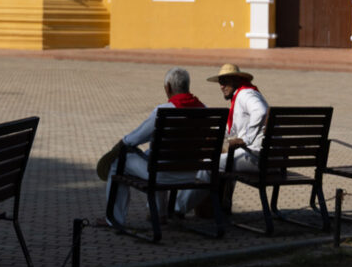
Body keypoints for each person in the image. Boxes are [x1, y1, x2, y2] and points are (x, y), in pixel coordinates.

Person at [97, 66, 204, 227]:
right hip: (190, 174)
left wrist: (120, 144)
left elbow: (133, 139)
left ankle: (114, 219)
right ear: (187, 86)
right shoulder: (204, 110)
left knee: (118, 162)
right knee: (154, 155)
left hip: (162, 175)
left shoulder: (163, 111)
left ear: (168, 88)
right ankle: (160, 214)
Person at [177, 62, 268, 214]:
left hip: (258, 157)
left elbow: (261, 111)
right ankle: (223, 205)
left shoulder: (245, 94)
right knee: (227, 159)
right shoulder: (242, 95)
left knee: (210, 164)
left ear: (237, 80)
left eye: (225, 81)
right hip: (269, 159)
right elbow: (229, 131)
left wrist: (247, 140)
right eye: (220, 81)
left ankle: (178, 209)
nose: (221, 86)